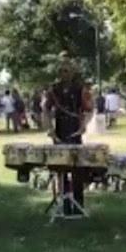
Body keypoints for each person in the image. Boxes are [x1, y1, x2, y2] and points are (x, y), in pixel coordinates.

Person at [43, 57, 94, 215]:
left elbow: (89, 109)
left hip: (74, 128)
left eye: (68, 71)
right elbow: (46, 110)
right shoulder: (53, 89)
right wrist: (50, 129)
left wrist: (83, 125)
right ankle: (64, 205)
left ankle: (78, 206)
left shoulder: (81, 89)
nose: (66, 74)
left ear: (73, 73)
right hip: (60, 129)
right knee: (61, 168)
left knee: (77, 167)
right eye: (63, 71)